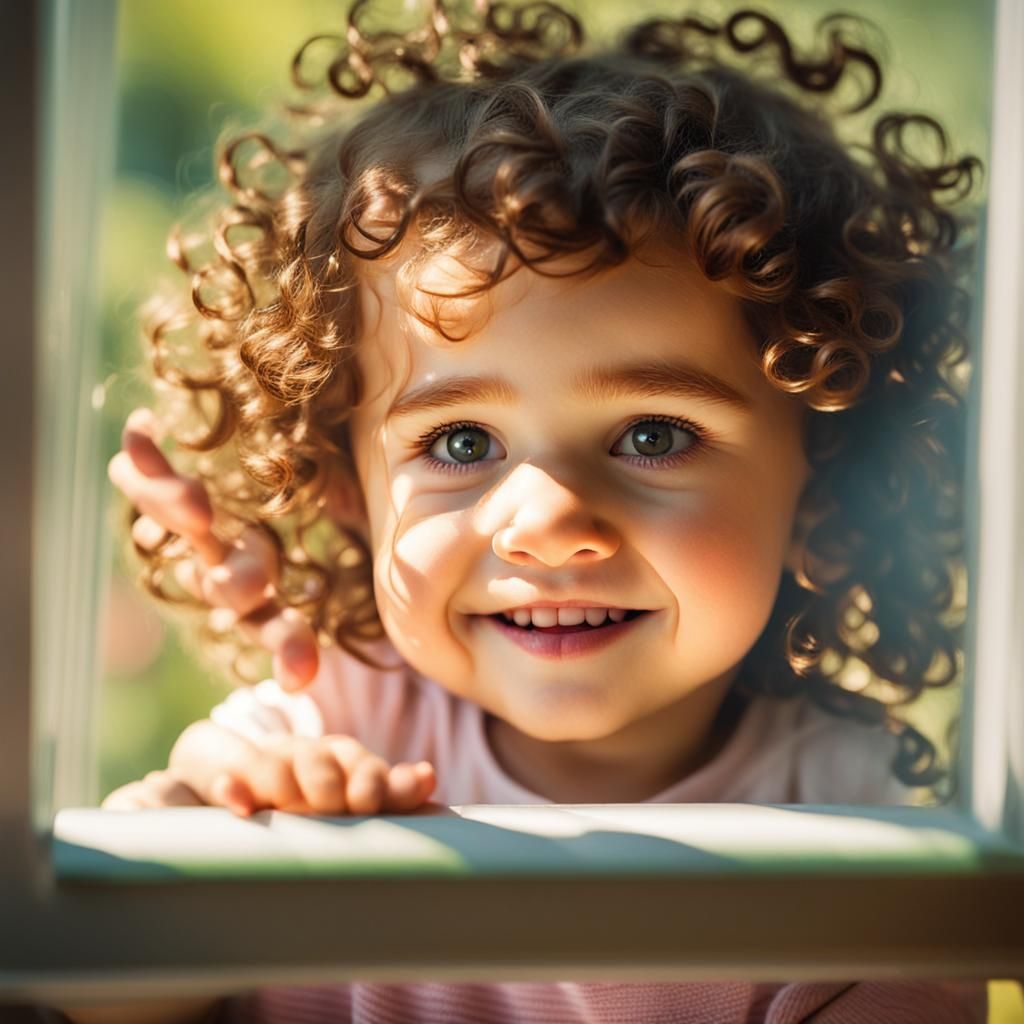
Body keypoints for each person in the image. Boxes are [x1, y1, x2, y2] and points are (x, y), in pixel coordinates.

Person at [65, 1, 986, 1020]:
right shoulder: (331, 725)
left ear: (828, 482)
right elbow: (89, 994)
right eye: (461, 444)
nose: (546, 520)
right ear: (347, 489)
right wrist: (196, 828)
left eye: (652, 434)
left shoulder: (864, 825)